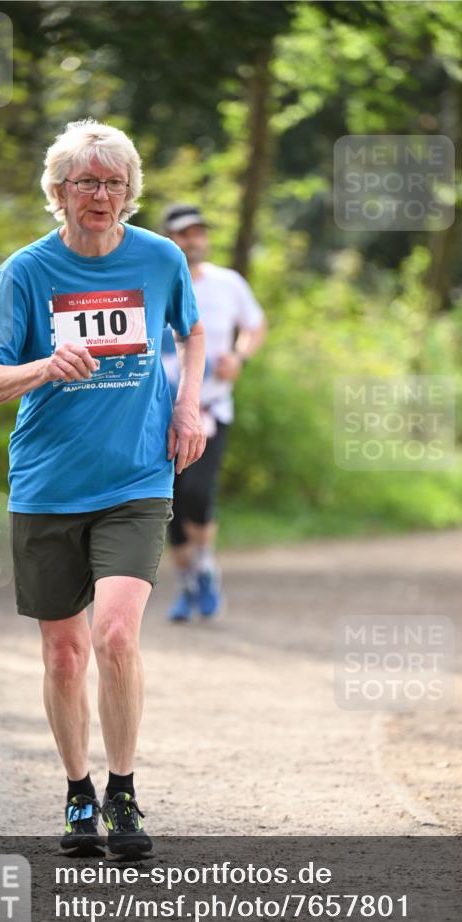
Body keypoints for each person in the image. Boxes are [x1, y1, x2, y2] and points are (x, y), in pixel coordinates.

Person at [0, 121, 206, 858]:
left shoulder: (160, 258)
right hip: (47, 483)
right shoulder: (25, 273)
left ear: (128, 192)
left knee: (116, 635)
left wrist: (187, 404)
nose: (99, 195)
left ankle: (124, 792)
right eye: (85, 182)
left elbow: (190, 333)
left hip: (136, 477)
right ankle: (77, 793)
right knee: (64, 654)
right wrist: (45, 365)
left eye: (112, 182)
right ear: (58, 192)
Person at [161, 204, 266, 622]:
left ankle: (205, 564)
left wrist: (239, 356)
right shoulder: (153, 281)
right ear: (169, 238)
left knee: (198, 494)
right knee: (167, 502)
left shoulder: (228, 283)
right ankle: (189, 586)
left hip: (211, 407)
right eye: (185, 234)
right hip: (160, 412)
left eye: (199, 233)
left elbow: (255, 325)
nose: (194, 241)